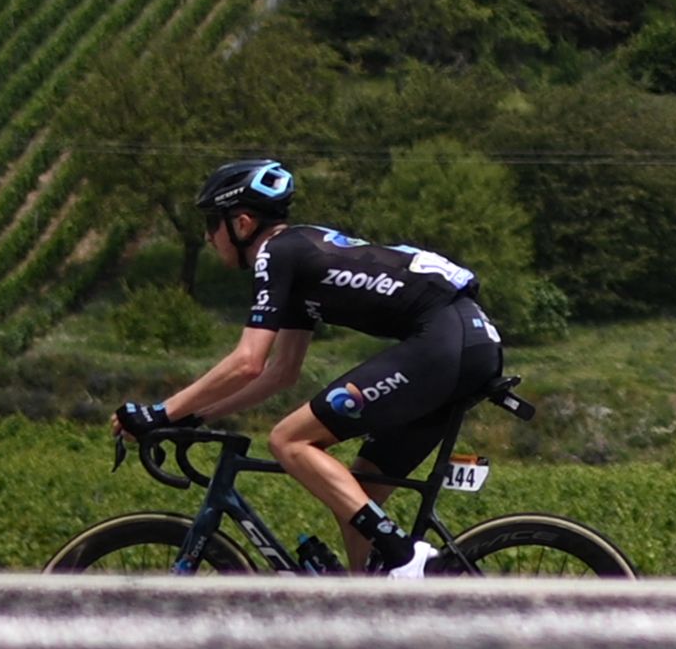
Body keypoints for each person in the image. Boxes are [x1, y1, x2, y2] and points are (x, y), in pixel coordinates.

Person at [121, 156, 503, 577]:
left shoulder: (276, 253)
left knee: (288, 441)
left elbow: (248, 361)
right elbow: (281, 372)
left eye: (212, 223)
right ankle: (376, 609)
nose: (209, 236)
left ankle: (405, 559)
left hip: (447, 341)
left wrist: (159, 413)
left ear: (243, 223)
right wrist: (200, 414)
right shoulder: (302, 256)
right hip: (468, 341)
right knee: (355, 498)